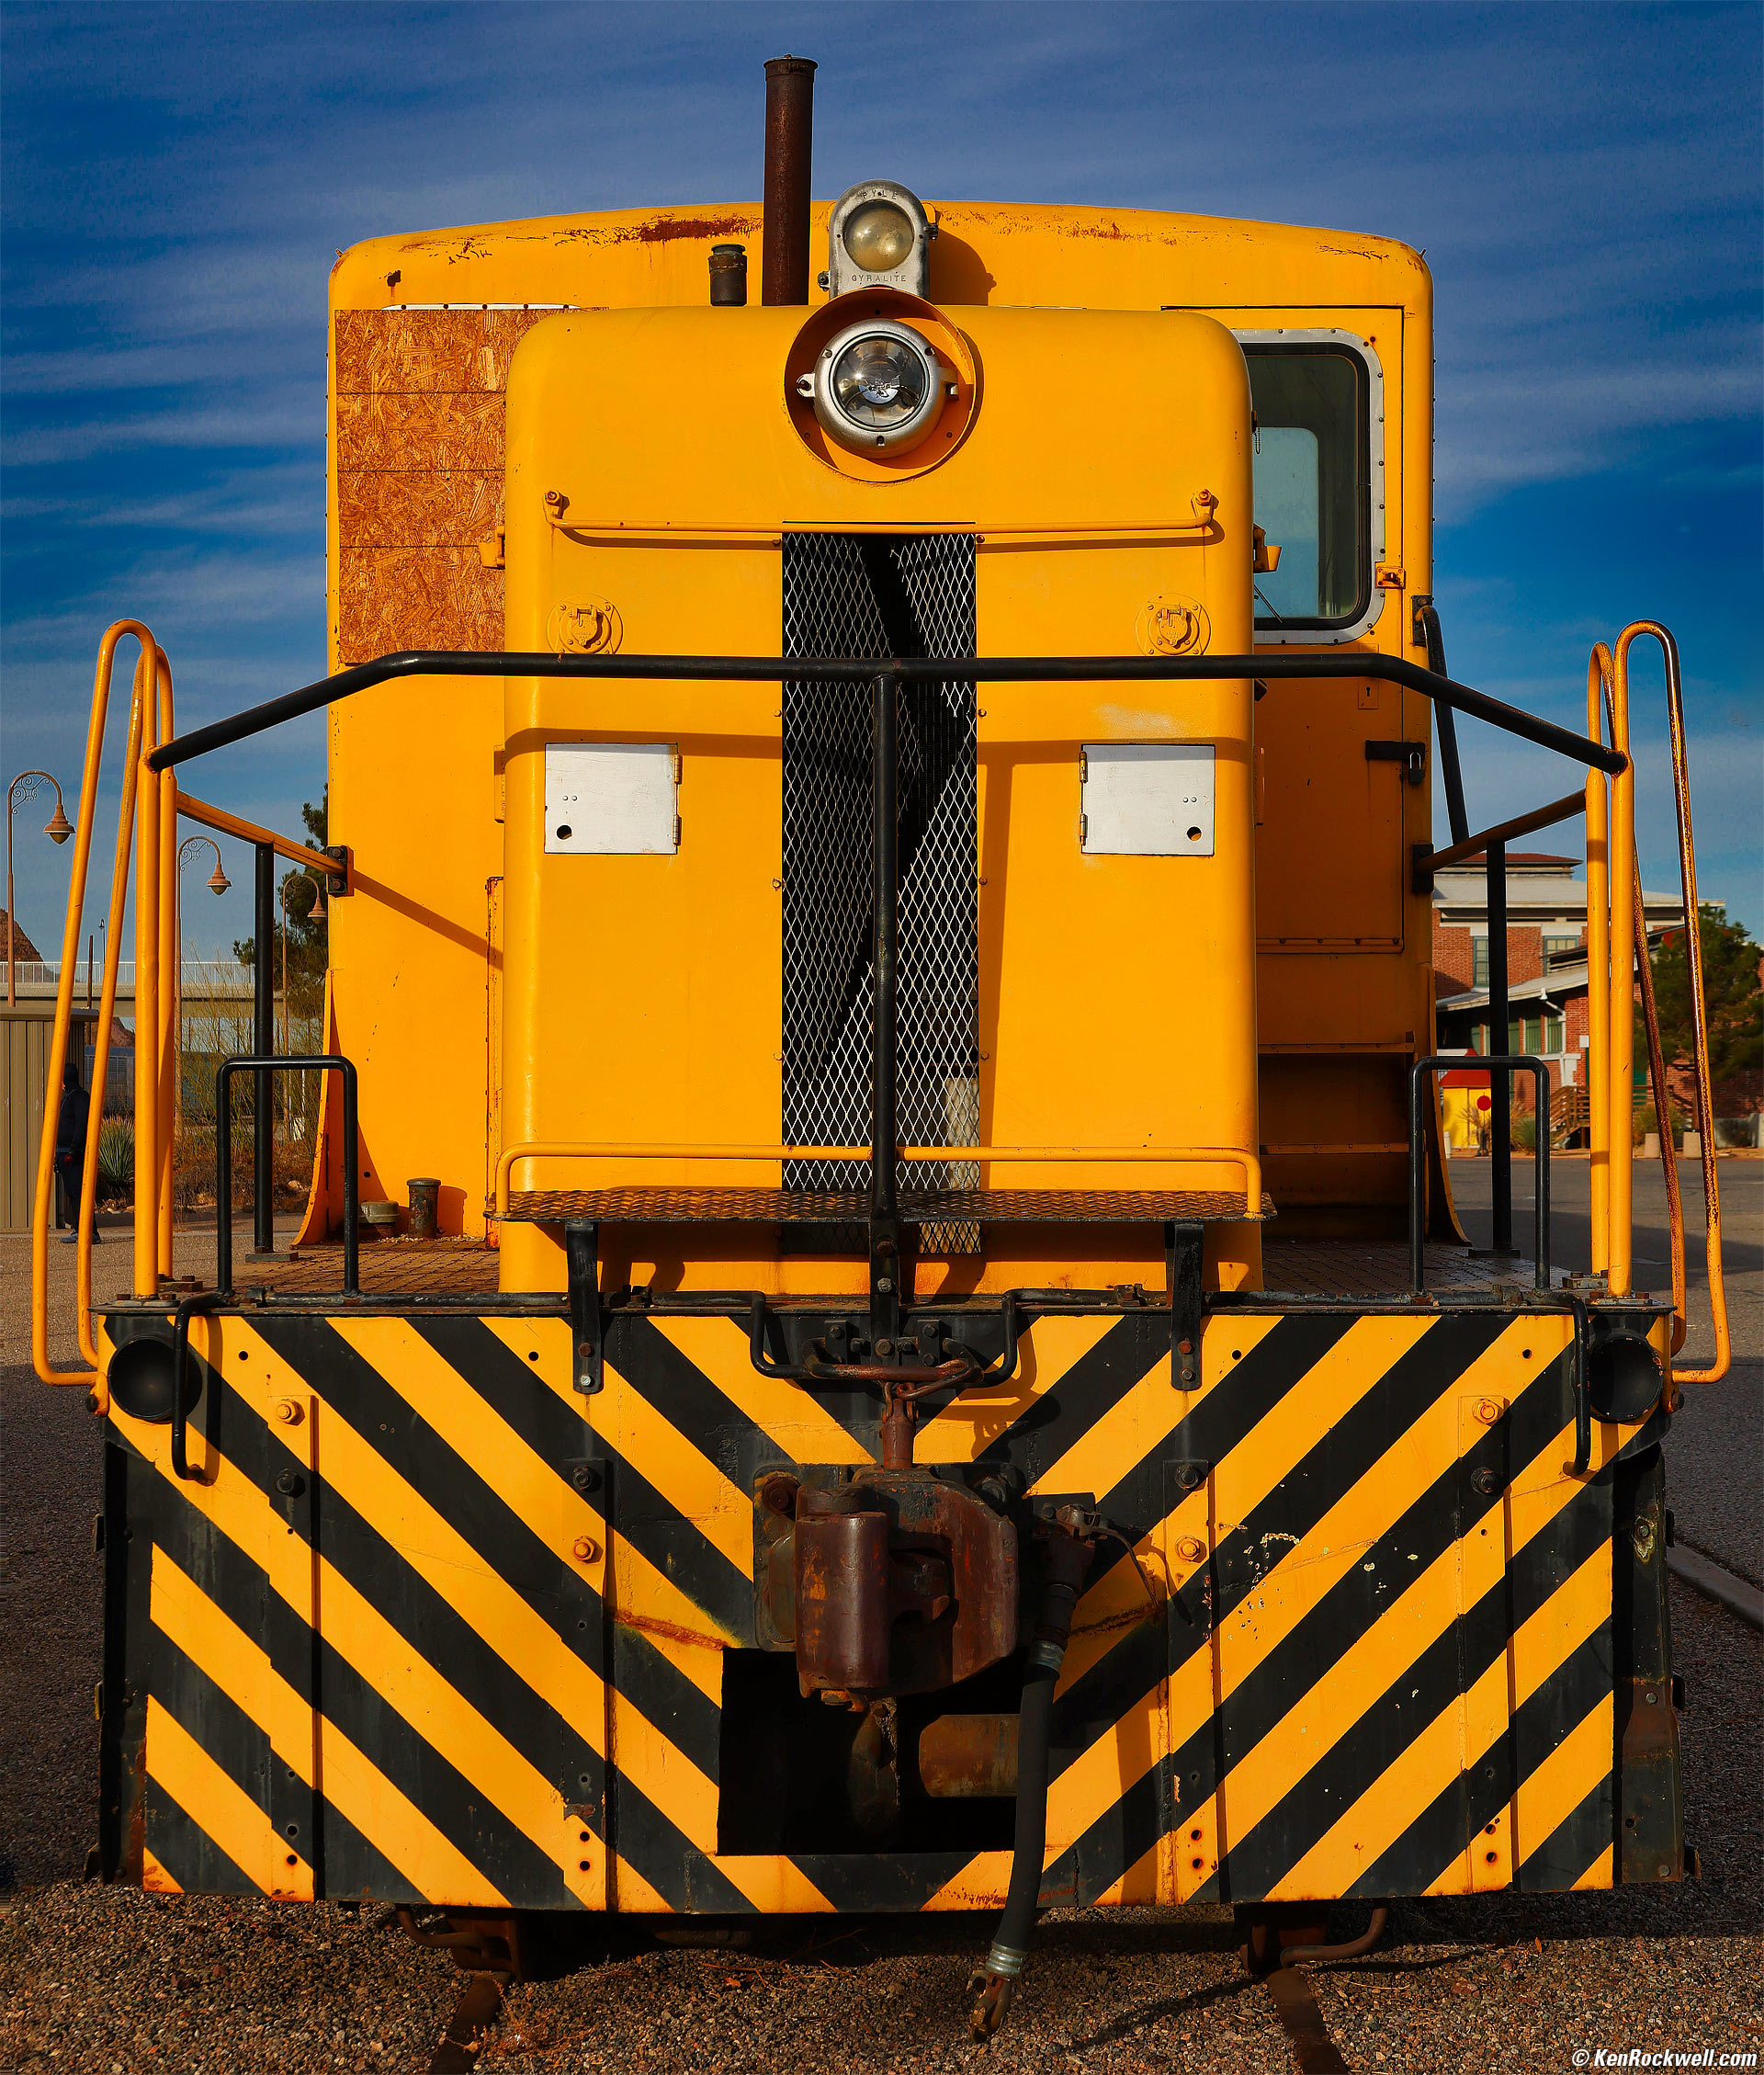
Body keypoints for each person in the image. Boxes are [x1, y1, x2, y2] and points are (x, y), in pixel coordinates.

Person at [54, 1052, 100, 1244]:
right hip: (64, 1152)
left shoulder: (79, 1097)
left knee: (80, 1192)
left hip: (73, 1153)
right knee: (73, 1193)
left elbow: (82, 1124)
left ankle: (89, 1230)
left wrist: (73, 1150)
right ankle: (80, 1228)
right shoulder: (68, 1098)